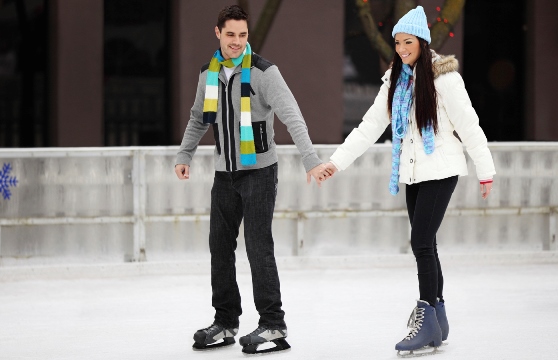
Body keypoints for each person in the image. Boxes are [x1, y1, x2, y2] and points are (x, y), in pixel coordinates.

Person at [318, 6, 495, 356]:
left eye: (407, 42)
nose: (401, 49)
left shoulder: (445, 79)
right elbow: (368, 127)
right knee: (426, 244)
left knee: (421, 242)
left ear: (422, 41)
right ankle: (438, 315)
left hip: (441, 170)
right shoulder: (395, 82)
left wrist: (485, 169)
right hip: (412, 172)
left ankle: (426, 318)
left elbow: (470, 125)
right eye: (397, 42)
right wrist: (335, 162)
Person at [174, 5, 325, 355]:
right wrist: (185, 155)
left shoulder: (263, 73)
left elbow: (292, 115)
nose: (237, 42)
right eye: (230, 35)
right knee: (220, 247)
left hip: (259, 173)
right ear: (218, 33)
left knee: (259, 247)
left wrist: (310, 159)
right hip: (224, 174)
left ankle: (273, 324)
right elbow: (199, 118)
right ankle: (225, 322)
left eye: (243, 36)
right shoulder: (208, 74)